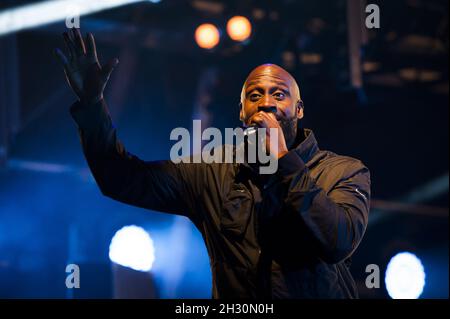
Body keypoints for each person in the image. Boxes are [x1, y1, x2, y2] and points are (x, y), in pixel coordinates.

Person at [55, 28, 371, 299]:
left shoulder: (343, 171)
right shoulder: (212, 173)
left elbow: (338, 241)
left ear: (299, 109)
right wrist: (93, 105)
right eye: (255, 95)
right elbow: (120, 178)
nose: (265, 102)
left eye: (278, 94)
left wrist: (284, 159)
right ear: (241, 112)